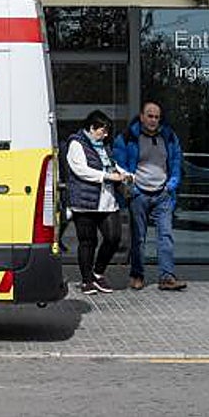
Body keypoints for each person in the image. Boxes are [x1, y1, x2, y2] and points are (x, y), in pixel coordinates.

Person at [113, 101, 188, 291]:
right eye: (150, 116)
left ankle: (167, 277)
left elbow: (176, 161)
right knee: (138, 238)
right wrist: (133, 189)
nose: (153, 120)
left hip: (163, 194)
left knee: (166, 236)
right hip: (139, 195)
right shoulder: (128, 137)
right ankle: (137, 275)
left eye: (157, 117)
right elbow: (119, 165)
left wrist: (171, 185)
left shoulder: (169, 136)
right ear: (142, 116)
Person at [65, 109, 127, 295]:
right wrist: (108, 176)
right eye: (103, 130)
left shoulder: (103, 146)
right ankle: (86, 281)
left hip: (107, 202)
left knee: (114, 238)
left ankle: (98, 273)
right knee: (87, 242)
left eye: (107, 131)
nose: (105, 134)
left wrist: (127, 175)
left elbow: (113, 166)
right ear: (92, 127)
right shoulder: (76, 144)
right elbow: (80, 170)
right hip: (84, 203)